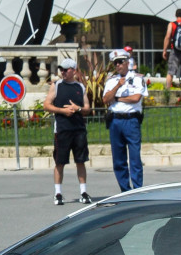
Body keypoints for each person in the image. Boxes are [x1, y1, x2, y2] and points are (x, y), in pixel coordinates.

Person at [43, 57, 92, 205]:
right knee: (60, 162)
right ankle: (58, 193)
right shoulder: (56, 86)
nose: (63, 72)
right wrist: (62, 111)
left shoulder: (80, 87)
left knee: (81, 161)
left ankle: (83, 191)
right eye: (61, 69)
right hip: (62, 130)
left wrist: (78, 109)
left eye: (66, 69)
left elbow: (87, 108)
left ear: (74, 71)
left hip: (78, 130)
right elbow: (46, 105)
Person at [102, 49, 145, 193]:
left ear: (127, 62)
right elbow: (106, 99)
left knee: (134, 158)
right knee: (118, 160)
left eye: (121, 62)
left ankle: (137, 189)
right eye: (116, 63)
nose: (118, 65)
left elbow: (136, 98)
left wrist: (118, 98)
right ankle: (125, 190)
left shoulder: (137, 78)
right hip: (115, 120)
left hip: (131, 120)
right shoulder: (111, 81)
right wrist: (117, 86)